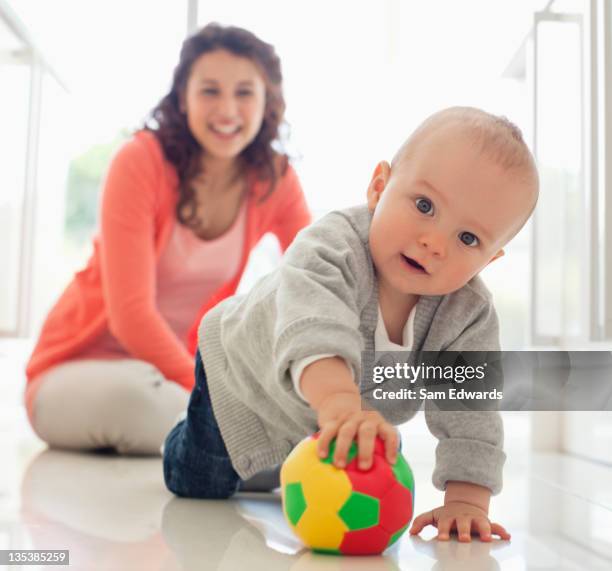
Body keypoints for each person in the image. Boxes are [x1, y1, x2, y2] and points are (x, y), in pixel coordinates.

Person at [163, 106, 540, 542]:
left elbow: (469, 407)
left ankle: (279, 455)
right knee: (199, 483)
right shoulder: (329, 248)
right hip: (242, 377)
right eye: (424, 206)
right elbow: (313, 327)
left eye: (468, 239)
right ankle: (179, 430)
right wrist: (342, 404)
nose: (434, 242)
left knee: (311, 459)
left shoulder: (467, 313)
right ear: (379, 187)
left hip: (332, 412)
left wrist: (468, 500)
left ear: (489, 259)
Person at [24, 23, 311, 456]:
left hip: (170, 377)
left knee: (257, 402)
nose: (227, 109)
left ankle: (262, 453)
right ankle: (261, 456)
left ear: (267, 100)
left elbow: (314, 277)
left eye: (245, 92)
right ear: (183, 97)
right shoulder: (140, 161)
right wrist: (214, 396)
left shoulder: (274, 179)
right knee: (141, 396)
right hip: (74, 372)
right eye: (210, 90)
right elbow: (130, 315)